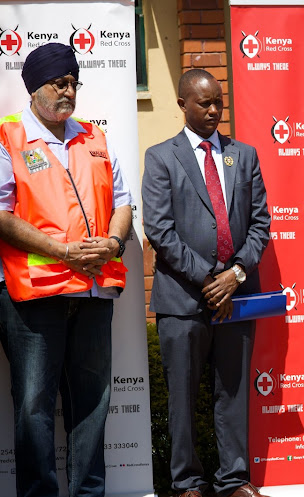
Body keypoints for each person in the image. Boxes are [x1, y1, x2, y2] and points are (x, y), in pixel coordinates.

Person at [0, 42, 132, 497]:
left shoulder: (94, 136)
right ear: (35, 87)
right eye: (60, 82)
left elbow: (122, 201)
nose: (69, 90)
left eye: (74, 82)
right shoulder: (8, 136)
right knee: (33, 407)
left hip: (94, 291)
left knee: (93, 404)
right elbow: (0, 215)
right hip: (36, 296)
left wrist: (114, 241)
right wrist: (63, 252)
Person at [142, 68, 271, 497]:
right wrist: (208, 278)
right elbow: (159, 231)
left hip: (235, 296)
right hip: (182, 299)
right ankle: (186, 483)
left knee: (232, 394)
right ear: (182, 105)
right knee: (181, 398)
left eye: (219, 101)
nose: (215, 110)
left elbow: (259, 225)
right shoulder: (161, 157)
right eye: (205, 103)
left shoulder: (244, 155)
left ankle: (233, 480)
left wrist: (234, 275)